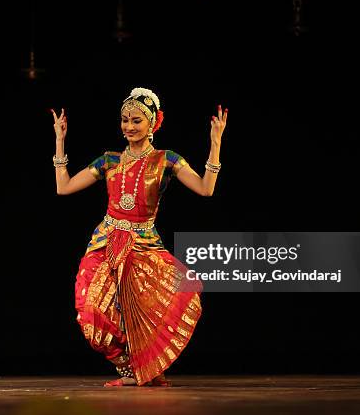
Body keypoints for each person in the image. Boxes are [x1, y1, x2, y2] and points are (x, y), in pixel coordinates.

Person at [50, 87, 227, 387]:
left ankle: (139, 369)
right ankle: (125, 366)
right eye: (124, 120)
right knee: (90, 309)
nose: (129, 127)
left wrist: (216, 143)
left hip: (143, 246)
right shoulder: (109, 160)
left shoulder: (166, 160)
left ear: (153, 123)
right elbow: (63, 188)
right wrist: (59, 141)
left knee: (151, 308)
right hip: (105, 243)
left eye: (136, 120)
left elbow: (205, 188)